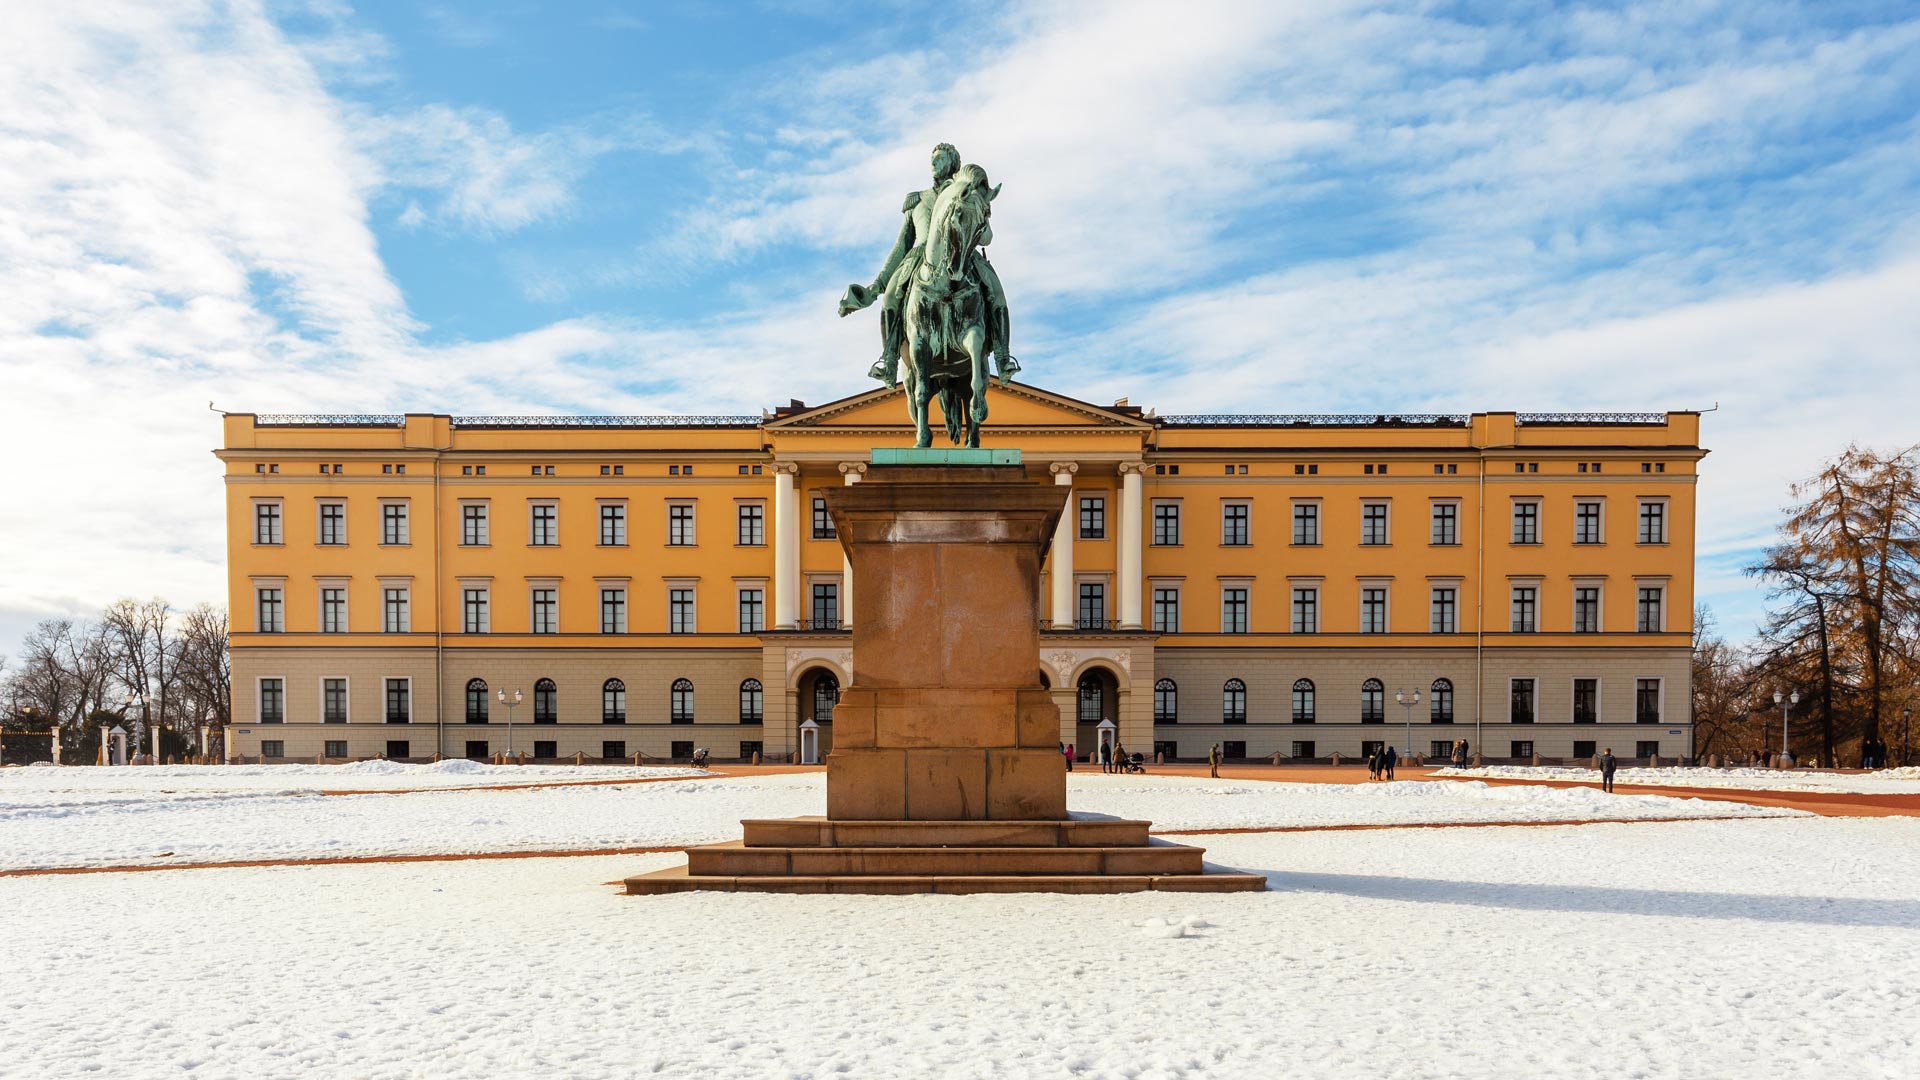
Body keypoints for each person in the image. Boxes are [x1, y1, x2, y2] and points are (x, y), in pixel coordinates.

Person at [839, 142, 1017, 387]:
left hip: (963, 253)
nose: (933, 163)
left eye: (940, 158)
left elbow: (987, 237)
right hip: (920, 256)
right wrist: (876, 286)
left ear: (953, 163)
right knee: (891, 295)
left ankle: (1003, 356)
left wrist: (981, 220)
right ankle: (889, 360)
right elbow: (901, 245)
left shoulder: (971, 193)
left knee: (996, 292)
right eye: (932, 159)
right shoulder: (917, 200)